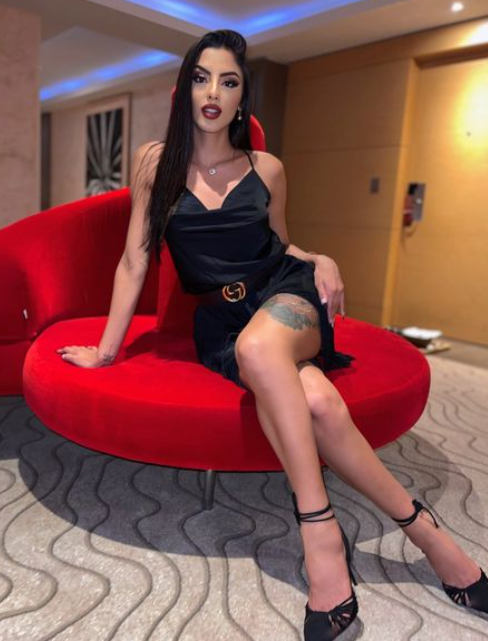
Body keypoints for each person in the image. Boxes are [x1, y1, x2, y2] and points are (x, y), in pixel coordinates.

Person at [56, 28, 488, 641]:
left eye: (228, 82)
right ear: (185, 89)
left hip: (285, 296)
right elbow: (135, 260)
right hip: (222, 321)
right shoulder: (156, 163)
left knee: (261, 347)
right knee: (319, 403)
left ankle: (319, 532)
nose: (213, 92)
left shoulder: (267, 168)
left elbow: (283, 243)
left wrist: (321, 259)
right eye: (202, 78)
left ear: (242, 98)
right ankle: (428, 534)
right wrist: (107, 350)